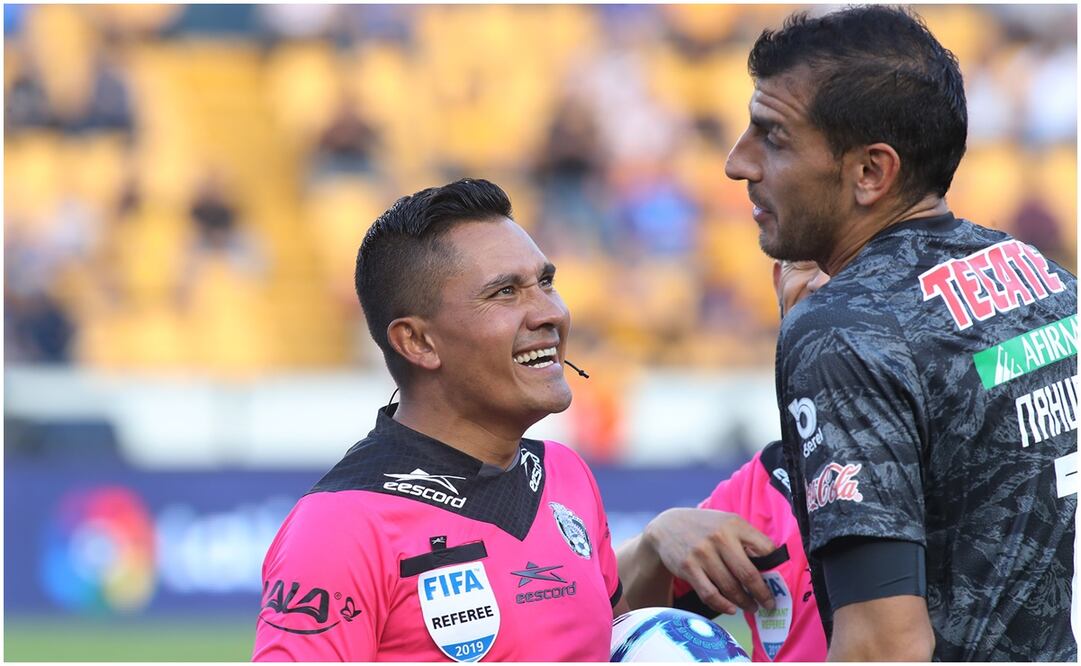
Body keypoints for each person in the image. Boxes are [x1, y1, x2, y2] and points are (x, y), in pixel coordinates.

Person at [724, 6, 1077, 661]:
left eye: (771, 137)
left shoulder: (843, 333)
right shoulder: (1045, 281)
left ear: (869, 173)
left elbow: (881, 648)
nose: (736, 163)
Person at [252, 178, 628, 661]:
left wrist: (663, 546)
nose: (550, 312)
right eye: (505, 292)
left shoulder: (566, 473)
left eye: (546, 282)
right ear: (418, 343)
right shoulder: (338, 527)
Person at [618, 260, 829, 662]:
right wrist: (656, 539)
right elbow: (602, 611)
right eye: (804, 263)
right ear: (777, 282)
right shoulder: (768, 480)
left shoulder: (957, 444)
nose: (820, 282)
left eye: (843, 261)